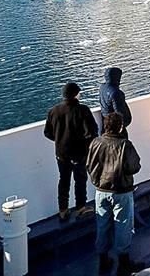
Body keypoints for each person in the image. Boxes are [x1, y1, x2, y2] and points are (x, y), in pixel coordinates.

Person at [87, 112, 144, 276]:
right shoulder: (125, 145)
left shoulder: (95, 143)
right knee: (123, 225)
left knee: (102, 225)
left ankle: (103, 261)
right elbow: (134, 167)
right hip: (121, 191)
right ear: (120, 127)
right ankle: (123, 263)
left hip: (101, 191)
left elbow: (89, 165)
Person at [44, 82, 98, 222]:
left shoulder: (53, 111)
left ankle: (63, 209)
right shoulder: (82, 110)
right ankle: (80, 207)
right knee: (80, 180)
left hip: (61, 153)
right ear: (75, 94)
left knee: (64, 180)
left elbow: (47, 133)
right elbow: (91, 132)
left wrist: (60, 140)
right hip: (78, 153)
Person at [99, 67, 132, 137]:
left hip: (105, 125)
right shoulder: (116, 93)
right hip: (116, 129)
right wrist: (123, 125)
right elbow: (119, 113)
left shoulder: (102, 87)